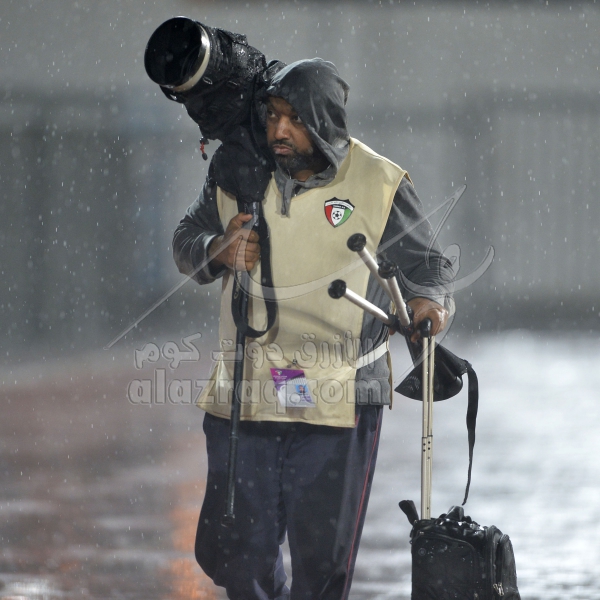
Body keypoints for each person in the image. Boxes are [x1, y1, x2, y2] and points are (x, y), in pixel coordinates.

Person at [173, 58, 454, 600]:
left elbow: (430, 268)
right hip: (247, 392)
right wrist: (216, 248)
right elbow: (187, 238)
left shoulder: (379, 183)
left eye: (295, 119)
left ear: (326, 122)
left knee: (322, 565)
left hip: (339, 398)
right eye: (272, 115)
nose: (278, 130)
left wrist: (429, 305)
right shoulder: (237, 168)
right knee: (236, 555)